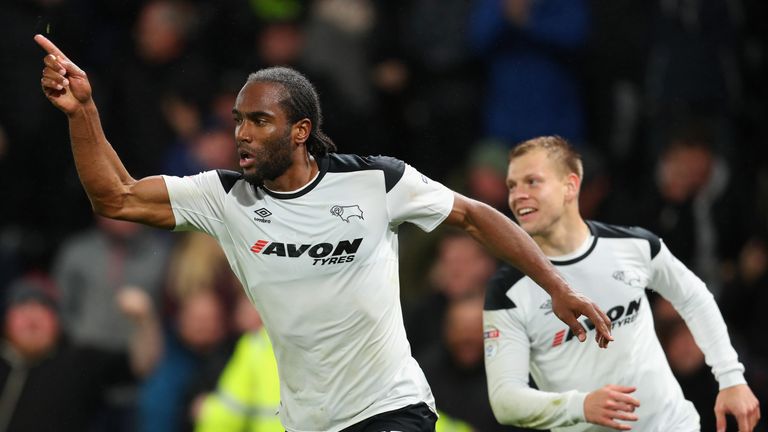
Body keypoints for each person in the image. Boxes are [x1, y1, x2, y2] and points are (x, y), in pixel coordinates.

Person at [34, 35, 613, 432]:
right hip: (308, 421)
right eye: (238, 120)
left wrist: (555, 285)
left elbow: (476, 215)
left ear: (301, 130)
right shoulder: (225, 196)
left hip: (392, 408)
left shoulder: (374, 181)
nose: (243, 133)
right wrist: (81, 112)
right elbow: (116, 196)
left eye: (259, 120)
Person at [483, 135, 761, 431]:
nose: (517, 195)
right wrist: (580, 405)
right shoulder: (508, 289)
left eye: (532, 182)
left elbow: (694, 298)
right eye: (512, 185)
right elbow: (504, 400)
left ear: (571, 185)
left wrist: (732, 378)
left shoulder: (635, 245)